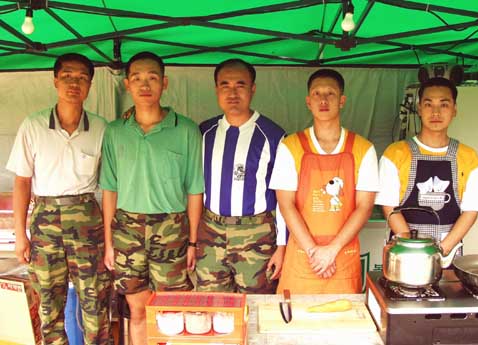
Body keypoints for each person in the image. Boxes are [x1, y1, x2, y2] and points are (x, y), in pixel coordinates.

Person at [100, 52, 204, 345]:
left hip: (171, 229)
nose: (145, 85)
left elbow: (195, 190)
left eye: (152, 78)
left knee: (172, 312)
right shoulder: (115, 132)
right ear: (127, 84)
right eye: (137, 78)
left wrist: (193, 241)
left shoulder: (185, 130)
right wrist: (109, 243)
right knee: (138, 310)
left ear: (165, 83)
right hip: (127, 230)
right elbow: (110, 189)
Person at [6, 53, 110, 344]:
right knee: (49, 300)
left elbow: (112, 183)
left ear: (90, 84)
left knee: (95, 297)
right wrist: (21, 235)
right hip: (45, 219)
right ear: (55, 81)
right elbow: (22, 181)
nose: (73, 83)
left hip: (87, 219)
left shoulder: (102, 128)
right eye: (67, 76)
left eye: (81, 78)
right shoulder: (34, 125)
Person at [270, 69, 379, 294]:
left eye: (330, 93)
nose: (323, 99)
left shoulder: (363, 149)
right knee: (295, 322)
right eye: (317, 93)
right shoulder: (290, 147)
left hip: (342, 256)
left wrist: (331, 251)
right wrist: (314, 251)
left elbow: (365, 206)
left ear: (342, 101)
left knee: (342, 322)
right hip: (302, 256)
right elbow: (285, 204)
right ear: (308, 101)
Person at [196, 58, 287, 293]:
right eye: (225, 85)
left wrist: (282, 246)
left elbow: (285, 196)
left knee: (256, 308)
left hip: (256, 235)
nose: (232, 92)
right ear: (216, 89)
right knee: (213, 309)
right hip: (211, 231)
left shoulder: (273, 135)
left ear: (253, 88)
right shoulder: (204, 133)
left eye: (240, 85)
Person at [375, 77, 478, 255]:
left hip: (448, 253)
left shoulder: (468, 157)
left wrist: (442, 250)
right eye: (428, 104)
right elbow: (389, 208)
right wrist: (415, 250)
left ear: (454, 109)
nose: (436, 112)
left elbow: (471, 210)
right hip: (404, 252)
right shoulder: (395, 153)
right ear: (419, 108)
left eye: (444, 104)